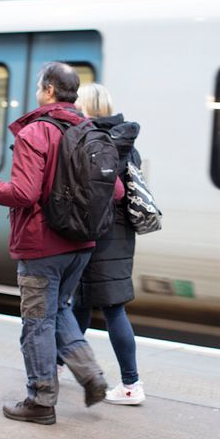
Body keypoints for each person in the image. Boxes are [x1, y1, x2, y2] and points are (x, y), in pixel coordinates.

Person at [0, 62, 122, 425]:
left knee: (37, 322)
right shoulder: (90, 130)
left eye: (40, 86)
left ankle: (40, 401)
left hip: (42, 247)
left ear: (49, 91)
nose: (38, 91)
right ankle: (91, 376)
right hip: (82, 245)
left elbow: (24, 193)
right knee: (58, 312)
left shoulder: (36, 132)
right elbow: (115, 191)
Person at [70, 83, 146, 405]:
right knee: (83, 302)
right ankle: (61, 364)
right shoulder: (126, 141)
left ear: (84, 107)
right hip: (120, 234)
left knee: (108, 307)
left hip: (97, 231)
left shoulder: (92, 141)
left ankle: (131, 384)